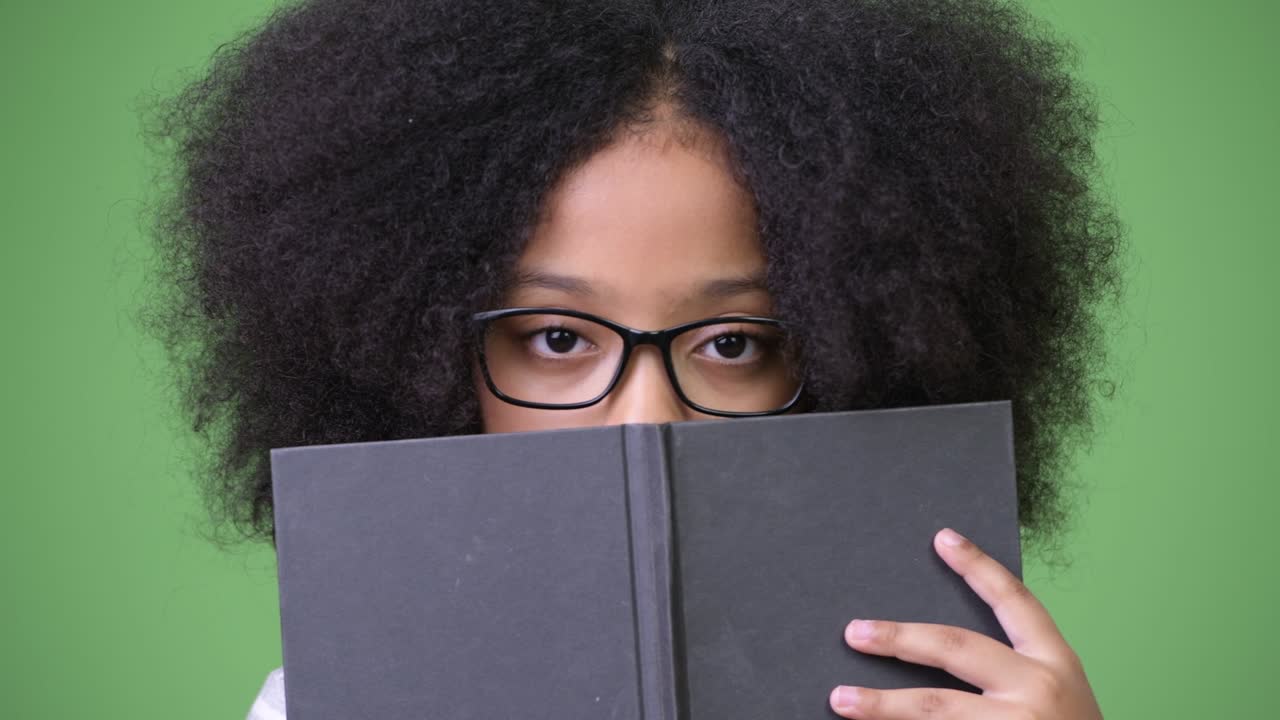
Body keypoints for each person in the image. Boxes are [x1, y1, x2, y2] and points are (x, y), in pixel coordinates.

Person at [141, 0, 1124, 717]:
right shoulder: (327, 705)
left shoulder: (958, 701)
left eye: (733, 343)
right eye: (556, 338)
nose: (646, 418)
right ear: (415, 356)